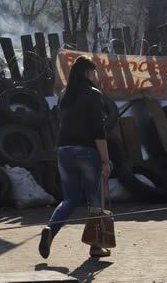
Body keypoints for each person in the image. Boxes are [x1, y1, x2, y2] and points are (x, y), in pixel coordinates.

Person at [38, 56, 112, 259]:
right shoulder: (93, 94)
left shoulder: (64, 94)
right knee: (95, 199)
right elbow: (98, 129)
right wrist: (105, 160)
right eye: (94, 72)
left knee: (70, 198)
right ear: (88, 73)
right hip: (86, 151)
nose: (96, 76)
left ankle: (50, 231)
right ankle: (96, 246)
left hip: (64, 151)